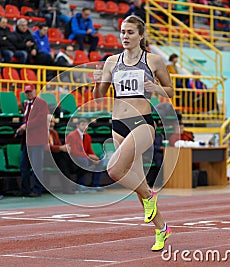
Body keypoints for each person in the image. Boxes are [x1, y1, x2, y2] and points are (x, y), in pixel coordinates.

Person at [93, 15, 174, 251]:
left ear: (141, 35)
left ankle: (150, 195)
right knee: (137, 182)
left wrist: (156, 88)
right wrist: (98, 82)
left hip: (143, 123)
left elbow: (171, 91)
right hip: (118, 124)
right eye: (122, 32)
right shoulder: (111, 62)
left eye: (130, 32)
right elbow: (100, 96)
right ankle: (162, 228)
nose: (125, 36)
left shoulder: (153, 61)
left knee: (115, 170)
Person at [16, 84, 48, 197]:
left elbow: (40, 120)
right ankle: (25, 189)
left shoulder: (41, 103)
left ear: (35, 91)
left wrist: (26, 126)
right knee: (24, 166)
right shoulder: (26, 105)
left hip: (37, 140)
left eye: (30, 91)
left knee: (36, 166)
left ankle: (37, 189)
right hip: (27, 140)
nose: (29, 94)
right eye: (27, 92)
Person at [65, 118, 104, 192]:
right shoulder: (72, 135)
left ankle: (95, 185)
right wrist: (89, 157)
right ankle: (81, 184)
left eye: (86, 125)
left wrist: (95, 158)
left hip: (84, 157)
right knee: (84, 161)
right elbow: (74, 152)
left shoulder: (87, 136)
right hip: (73, 158)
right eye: (83, 125)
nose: (85, 127)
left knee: (100, 161)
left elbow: (89, 150)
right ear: (77, 126)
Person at [47, 115, 75, 194]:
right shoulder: (41, 133)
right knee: (62, 158)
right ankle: (67, 186)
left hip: (56, 156)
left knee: (65, 156)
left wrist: (64, 148)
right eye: (50, 122)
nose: (52, 124)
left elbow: (59, 145)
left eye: (53, 122)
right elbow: (46, 148)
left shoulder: (54, 132)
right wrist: (60, 148)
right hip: (45, 157)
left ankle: (67, 186)